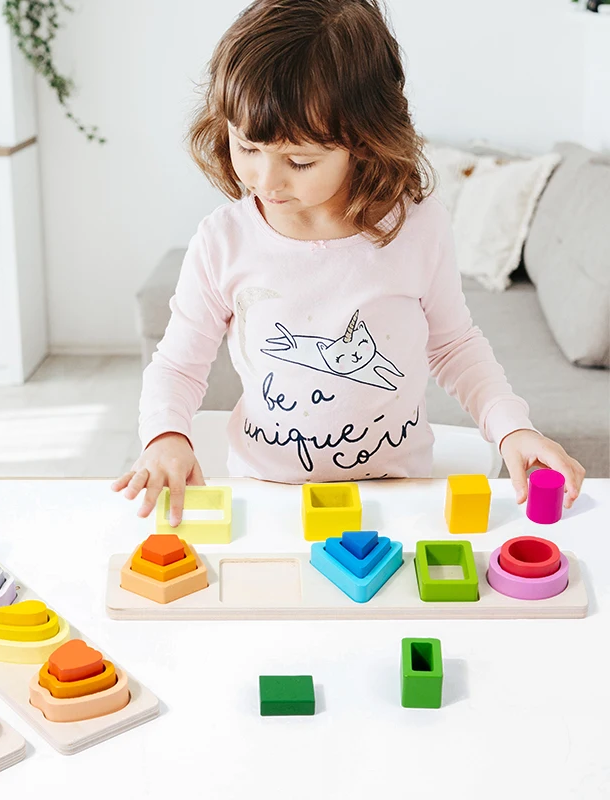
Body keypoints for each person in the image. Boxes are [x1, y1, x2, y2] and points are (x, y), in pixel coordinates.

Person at [112, 0, 585, 525]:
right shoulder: (222, 241)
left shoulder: (417, 227)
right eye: (246, 147)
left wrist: (513, 427)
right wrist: (166, 435)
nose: (266, 181)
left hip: (397, 500)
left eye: (299, 161)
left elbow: (454, 346)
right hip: (271, 498)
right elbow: (178, 365)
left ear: (364, 142)